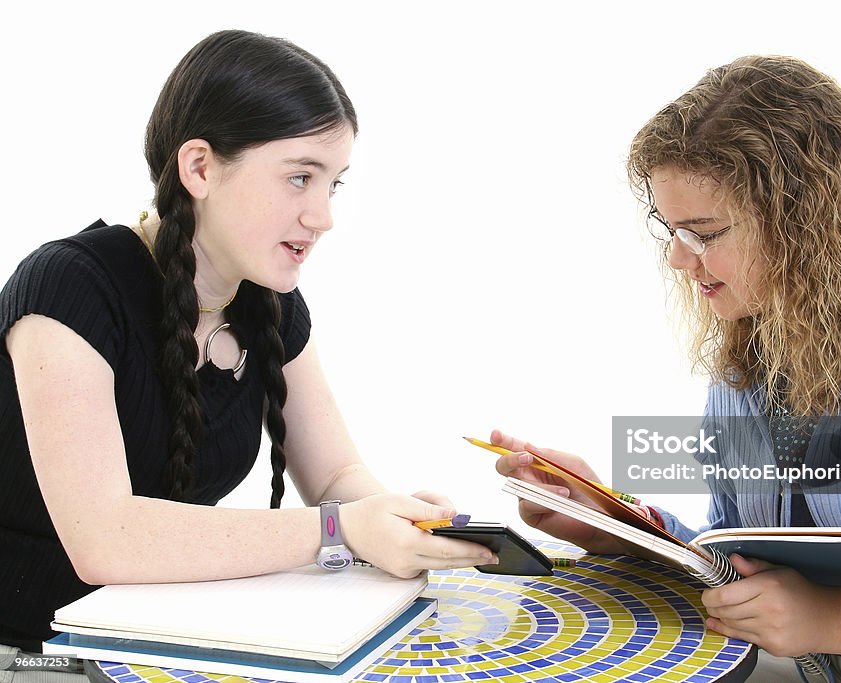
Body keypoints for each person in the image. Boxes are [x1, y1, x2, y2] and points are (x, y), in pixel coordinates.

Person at [494, 55, 841, 682]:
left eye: (705, 232)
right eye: (670, 230)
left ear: (805, 223)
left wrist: (833, 618)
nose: (678, 259)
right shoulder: (757, 333)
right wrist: (617, 523)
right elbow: (741, 559)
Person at [0, 29, 497, 674]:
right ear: (199, 167)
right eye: (299, 178)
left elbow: (338, 480)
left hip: (159, 644)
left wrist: (398, 522)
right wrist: (338, 532)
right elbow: (106, 539)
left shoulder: (271, 307)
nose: (322, 216)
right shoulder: (70, 286)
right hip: (32, 652)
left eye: (334, 184)